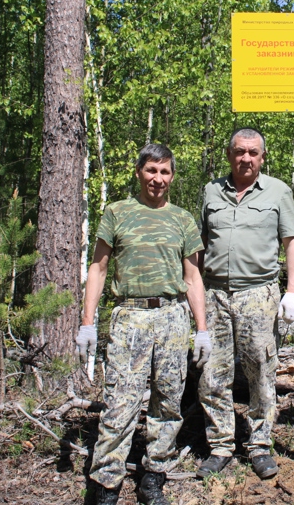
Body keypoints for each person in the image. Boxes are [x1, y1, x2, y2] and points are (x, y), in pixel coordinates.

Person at [75, 143, 212, 505]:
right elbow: (98, 268)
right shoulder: (118, 213)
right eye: (151, 171)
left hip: (172, 317)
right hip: (129, 317)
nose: (158, 179)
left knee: (167, 402)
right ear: (139, 173)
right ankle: (105, 483)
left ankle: (154, 477)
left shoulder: (182, 219)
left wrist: (202, 329)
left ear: (172, 176)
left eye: (165, 172)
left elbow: (193, 277)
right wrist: (87, 323)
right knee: (120, 402)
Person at [195, 127, 294, 480]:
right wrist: (191, 294)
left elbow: (291, 243)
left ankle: (259, 445)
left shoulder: (278, 192)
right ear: (229, 154)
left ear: (262, 157)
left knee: (261, 372)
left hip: (259, 294)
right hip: (214, 294)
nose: (246, 158)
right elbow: (198, 245)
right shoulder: (212, 191)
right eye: (239, 151)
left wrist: (292, 291)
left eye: (253, 152)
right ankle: (221, 445)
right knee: (213, 373)